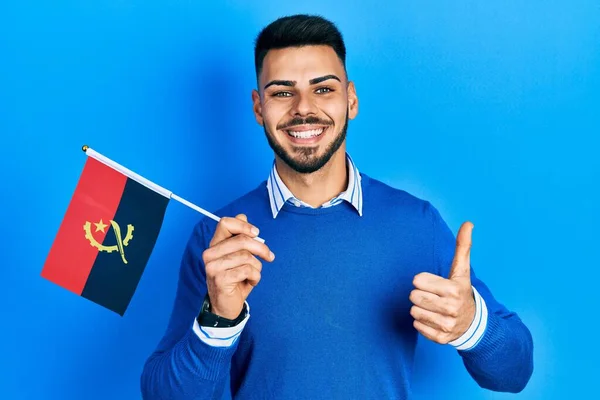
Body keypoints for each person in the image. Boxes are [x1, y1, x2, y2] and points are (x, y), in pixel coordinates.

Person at [140, 14, 533, 399]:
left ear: (351, 99)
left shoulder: (416, 224)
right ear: (259, 108)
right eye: (282, 92)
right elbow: (163, 394)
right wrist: (219, 319)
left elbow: (515, 372)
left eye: (323, 89)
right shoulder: (219, 239)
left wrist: (471, 325)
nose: (303, 108)